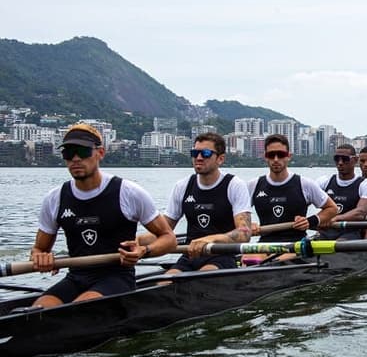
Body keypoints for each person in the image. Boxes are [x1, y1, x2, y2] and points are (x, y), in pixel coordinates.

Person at [29, 123, 177, 308]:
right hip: (76, 277)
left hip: (117, 277)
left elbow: (169, 238)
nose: (75, 158)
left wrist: (144, 251)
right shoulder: (54, 198)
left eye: (82, 152)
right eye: (68, 153)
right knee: (38, 310)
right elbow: (38, 249)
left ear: (100, 153)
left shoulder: (128, 192)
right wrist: (41, 257)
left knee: (77, 309)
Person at [150, 132, 252, 273]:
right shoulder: (183, 186)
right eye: (195, 153)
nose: (198, 158)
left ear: (220, 159)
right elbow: (163, 230)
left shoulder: (234, 185)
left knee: (201, 277)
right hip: (190, 255)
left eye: (205, 153)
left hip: (223, 255)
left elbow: (244, 233)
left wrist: (210, 239)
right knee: (165, 281)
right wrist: (136, 243)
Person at [245, 134, 337, 262]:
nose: (276, 159)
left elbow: (332, 208)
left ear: (289, 156)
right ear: (265, 157)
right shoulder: (254, 185)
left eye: (281, 154)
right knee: (248, 260)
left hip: (296, 244)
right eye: (271, 155)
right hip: (265, 243)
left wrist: (310, 221)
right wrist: (248, 224)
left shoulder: (305, 184)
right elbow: (237, 215)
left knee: (275, 261)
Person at [316, 144, 367, 240]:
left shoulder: (366, 185)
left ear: (355, 160)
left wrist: (337, 218)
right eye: (337, 159)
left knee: (337, 247)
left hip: (350, 232)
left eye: (345, 159)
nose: (340, 163)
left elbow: (360, 213)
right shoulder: (324, 181)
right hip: (326, 231)